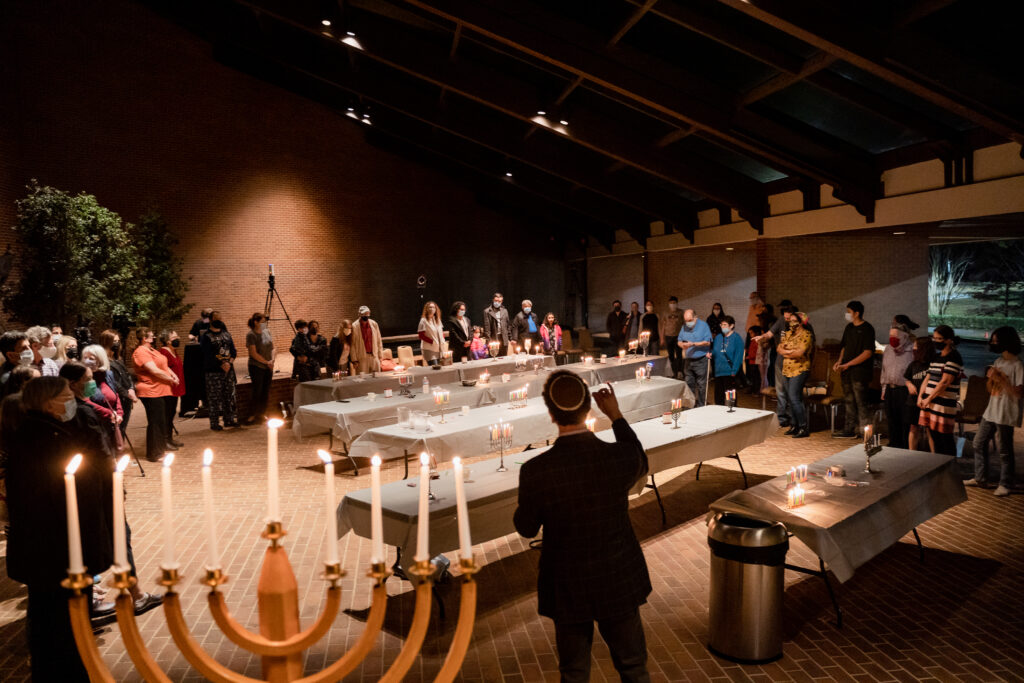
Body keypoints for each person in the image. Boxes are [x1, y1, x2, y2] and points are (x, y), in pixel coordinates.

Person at [514, 372, 650, 682]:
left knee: (574, 673)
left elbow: (526, 528)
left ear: (550, 414)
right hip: (617, 574)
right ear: (590, 409)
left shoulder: (537, 470)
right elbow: (640, 459)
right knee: (633, 667)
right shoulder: (617, 457)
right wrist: (615, 416)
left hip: (567, 582)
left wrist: (527, 500)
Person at [5, 377, 113, 682]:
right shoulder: (45, 441)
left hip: (55, 552)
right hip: (60, 552)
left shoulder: (46, 433)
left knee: (53, 622)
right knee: (62, 626)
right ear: (48, 402)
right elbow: (61, 497)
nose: (73, 400)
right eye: (67, 396)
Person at [965, 326, 1022, 496]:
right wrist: (990, 378)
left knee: (1005, 449)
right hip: (991, 410)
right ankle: (980, 477)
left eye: (996, 340)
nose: (992, 343)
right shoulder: (999, 361)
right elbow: (991, 389)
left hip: (1006, 411)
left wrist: (1002, 379)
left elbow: (1018, 394)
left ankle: (1006, 483)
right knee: (978, 442)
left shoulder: (1017, 365)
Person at [916, 325, 963, 456]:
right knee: (933, 435)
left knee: (945, 438)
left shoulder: (954, 357)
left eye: (940, 339)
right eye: (934, 338)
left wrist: (928, 398)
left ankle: (949, 466)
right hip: (930, 402)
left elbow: (945, 382)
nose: (936, 341)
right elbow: (928, 377)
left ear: (949, 340)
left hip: (943, 403)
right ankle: (938, 464)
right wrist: (921, 396)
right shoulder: (936, 357)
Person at [132, 327, 178, 460]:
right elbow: (153, 370)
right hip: (150, 391)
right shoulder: (140, 352)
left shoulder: (151, 350)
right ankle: (154, 453)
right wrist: (169, 378)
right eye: (151, 336)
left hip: (160, 389)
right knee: (155, 422)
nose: (153, 337)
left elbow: (164, 365)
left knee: (161, 421)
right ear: (144, 338)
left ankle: (161, 449)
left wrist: (173, 375)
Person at [834, 301, 877, 437]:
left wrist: (849, 364)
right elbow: (844, 347)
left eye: (849, 311)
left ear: (857, 313)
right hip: (846, 371)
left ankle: (865, 431)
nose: (847, 314)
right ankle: (849, 429)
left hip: (860, 372)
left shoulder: (867, 329)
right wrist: (840, 362)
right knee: (849, 401)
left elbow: (867, 352)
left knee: (861, 402)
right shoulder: (849, 328)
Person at [81, 344, 125, 452]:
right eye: (85, 358)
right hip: (95, 422)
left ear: (100, 360)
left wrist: (119, 412)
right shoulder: (84, 378)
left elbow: (115, 394)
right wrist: (110, 413)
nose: (87, 361)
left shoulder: (108, 374)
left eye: (91, 358)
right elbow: (85, 401)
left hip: (111, 421)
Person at [778, 312, 814, 438]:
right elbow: (779, 349)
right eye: (790, 320)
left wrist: (787, 352)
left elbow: (800, 353)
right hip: (787, 369)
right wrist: (789, 352)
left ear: (800, 322)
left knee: (794, 398)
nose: (791, 323)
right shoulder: (788, 334)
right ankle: (794, 425)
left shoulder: (807, 335)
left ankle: (803, 427)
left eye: (794, 320)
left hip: (800, 369)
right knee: (790, 398)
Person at [880, 323, 915, 448]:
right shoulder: (888, 349)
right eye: (890, 335)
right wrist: (884, 388)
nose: (892, 339)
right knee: (891, 418)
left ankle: (904, 445)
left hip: (904, 389)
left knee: (904, 419)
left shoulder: (911, 350)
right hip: (890, 388)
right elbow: (884, 370)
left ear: (904, 337)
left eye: (895, 336)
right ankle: (894, 443)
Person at [201, 317, 239, 431]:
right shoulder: (206, 336)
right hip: (213, 371)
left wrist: (230, 362)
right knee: (214, 398)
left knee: (228, 396)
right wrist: (221, 364)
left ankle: (229, 419)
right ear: (211, 320)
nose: (220, 320)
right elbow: (206, 354)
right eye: (217, 318)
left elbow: (233, 350)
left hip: (228, 370)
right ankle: (214, 422)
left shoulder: (226, 334)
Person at [99, 329, 136, 437]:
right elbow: (112, 381)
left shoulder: (117, 359)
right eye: (114, 341)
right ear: (106, 342)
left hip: (126, 398)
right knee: (116, 429)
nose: (117, 343)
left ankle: (120, 450)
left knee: (122, 428)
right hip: (117, 399)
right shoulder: (103, 360)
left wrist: (131, 388)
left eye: (118, 341)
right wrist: (126, 393)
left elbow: (127, 375)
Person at [904, 338, 935, 452]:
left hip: (927, 401)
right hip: (912, 401)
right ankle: (912, 453)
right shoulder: (913, 364)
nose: (913, 348)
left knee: (929, 429)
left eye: (916, 346)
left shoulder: (932, 364)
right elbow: (907, 378)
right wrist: (909, 385)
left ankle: (934, 455)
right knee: (913, 428)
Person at [244, 312, 276, 424]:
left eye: (265, 322)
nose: (264, 324)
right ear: (255, 322)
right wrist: (266, 362)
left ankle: (262, 413)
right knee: (257, 391)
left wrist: (272, 360)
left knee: (265, 391)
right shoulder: (251, 335)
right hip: (257, 366)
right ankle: (252, 414)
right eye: (262, 322)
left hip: (268, 365)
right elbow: (253, 353)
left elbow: (273, 348)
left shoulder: (267, 332)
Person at [677, 309, 712, 407]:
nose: (688, 323)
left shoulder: (704, 326)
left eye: (690, 320)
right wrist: (682, 345)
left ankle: (701, 405)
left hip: (701, 359)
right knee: (688, 383)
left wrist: (694, 344)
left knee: (701, 385)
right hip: (688, 359)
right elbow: (679, 341)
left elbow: (708, 342)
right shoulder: (684, 327)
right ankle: (690, 405)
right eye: (686, 321)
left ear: (696, 318)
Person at [156, 330, 185, 447]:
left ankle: (169, 438)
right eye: (174, 337)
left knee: (172, 413)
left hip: (176, 387)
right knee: (167, 414)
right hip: (168, 388)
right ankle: (165, 440)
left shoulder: (174, 351)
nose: (178, 338)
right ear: (168, 341)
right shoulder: (164, 353)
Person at [712, 315, 744, 407]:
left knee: (730, 397)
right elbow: (715, 351)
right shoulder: (718, 337)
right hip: (718, 371)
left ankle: (732, 412)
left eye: (725, 325)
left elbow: (738, 356)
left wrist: (734, 371)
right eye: (721, 325)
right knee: (718, 396)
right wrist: (710, 354)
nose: (722, 327)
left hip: (730, 372)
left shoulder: (737, 338)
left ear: (731, 326)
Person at [350, 305, 384, 374]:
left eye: (367, 313)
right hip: (362, 358)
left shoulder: (374, 324)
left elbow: (378, 340)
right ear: (360, 314)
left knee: (376, 378)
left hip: (374, 356)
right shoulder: (354, 326)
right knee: (363, 380)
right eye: (364, 314)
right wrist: (354, 360)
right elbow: (352, 344)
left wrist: (380, 355)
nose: (366, 315)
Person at [659, 297, 685, 379]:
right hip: (668, 336)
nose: (672, 305)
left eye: (674, 303)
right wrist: (662, 338)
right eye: (671, 303)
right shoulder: (665, 313)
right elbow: (663, 326)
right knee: (670, 355)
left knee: (679, 354)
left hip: (678, 336)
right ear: (669, 304)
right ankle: (673, 371)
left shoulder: (681, 312)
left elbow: (685, 325)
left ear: (677, 303)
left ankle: (680, 371)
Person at [1, 330, 32, 396]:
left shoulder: (22, 368)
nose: (29, 350)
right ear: (10, 355)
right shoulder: (8, 378)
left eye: (29, 346)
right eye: (24, 348)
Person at [745, 326, 762, 395]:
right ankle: (752, 389)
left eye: (751, 333)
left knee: (756, 377)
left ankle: (756, 390)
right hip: (751, 361)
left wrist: (750, 356)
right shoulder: (752, 341)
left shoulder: (757, 342)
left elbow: (758, 352)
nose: (750, 334)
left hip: (755, 362)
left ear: (756, 333)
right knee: (752, 377)